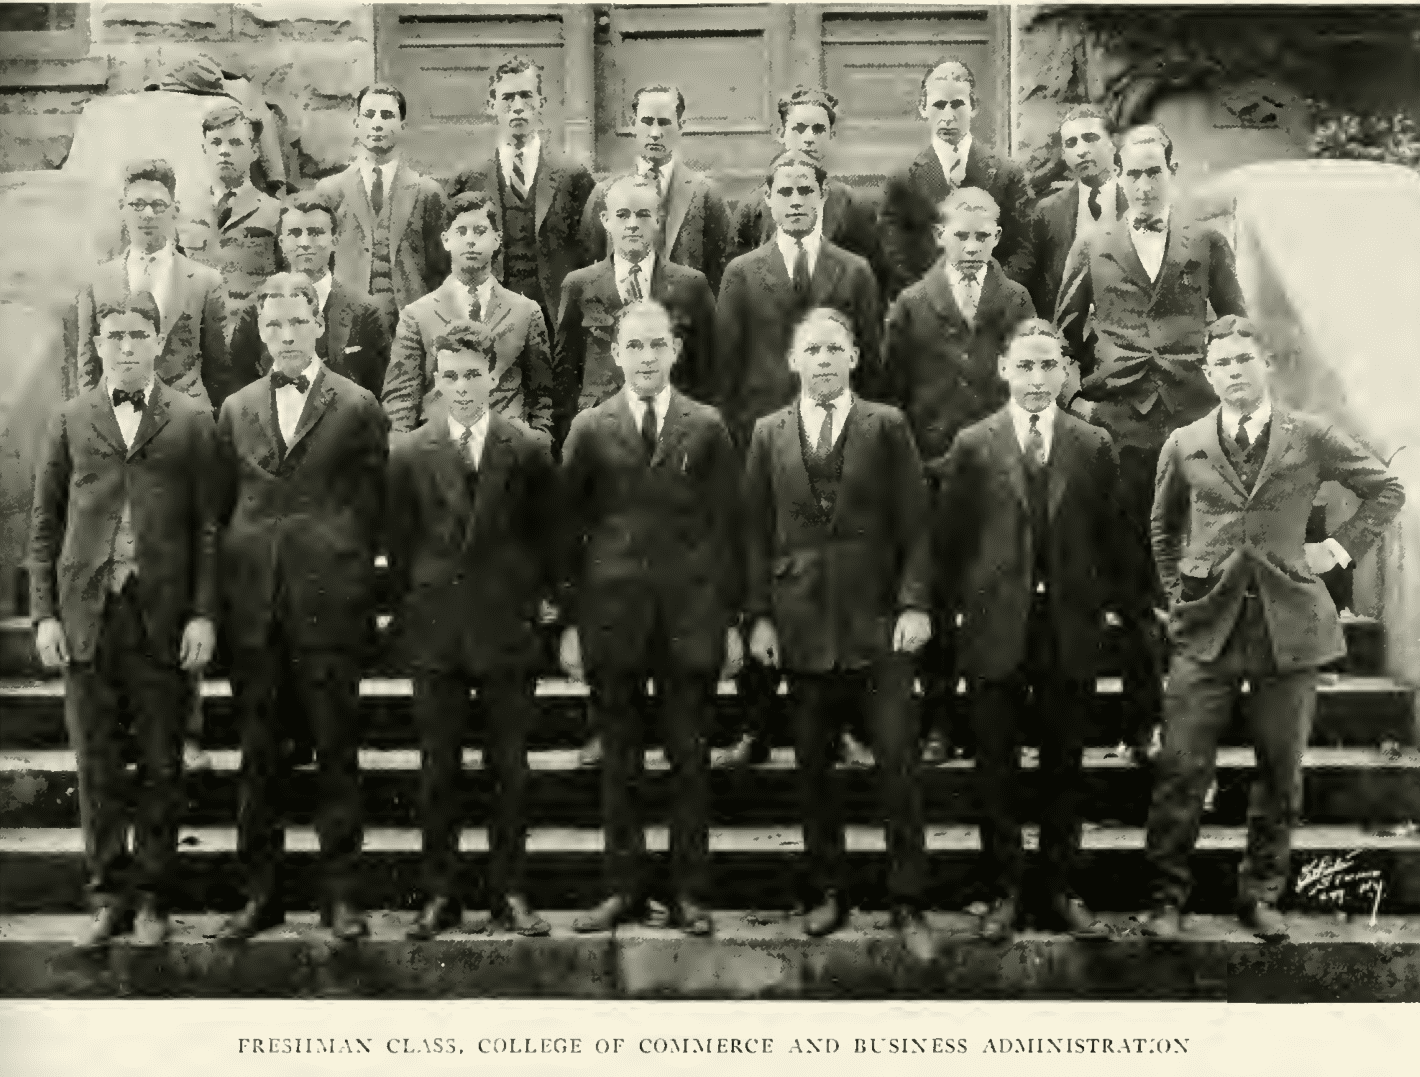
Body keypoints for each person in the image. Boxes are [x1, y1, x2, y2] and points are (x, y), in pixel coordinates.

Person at [1140, 316, 1405, 943]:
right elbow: (1162, 528)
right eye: (1222, 363)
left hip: (1291, 623)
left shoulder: (1308, 435)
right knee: (1181, 766)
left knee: (1280, 771)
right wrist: (1181, 594)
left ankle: (1260, 894)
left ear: (1267, 365)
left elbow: (1386, 489)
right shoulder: (1185, 442)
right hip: (1207, 626)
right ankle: (1165, 899)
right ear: (1208, 374)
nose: (1235, 371)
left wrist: (1337, 551)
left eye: (1244, 359)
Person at [28, 291, 219, 950]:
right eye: (115, 335)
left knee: (163, 762)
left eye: (140, 334)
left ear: (158, 341)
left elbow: (209, 529)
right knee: (98, 765)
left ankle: (156, 898)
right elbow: (46, 523)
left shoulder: (193, 420)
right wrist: (44, 614)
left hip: (162, 613)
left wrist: (202, 613)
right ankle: (108, 894)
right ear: (98, 344)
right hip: (88, 614)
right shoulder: (71, 417)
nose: (128, 346)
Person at [742, 307, 933, 958]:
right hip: (799, 627)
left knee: (898, 766)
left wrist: (914, 604)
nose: (823, 360)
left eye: (835, 349)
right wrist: (759, 616)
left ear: (854, 357)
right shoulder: (768, 433)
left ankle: (908, 899)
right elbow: (753, 534)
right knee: (815, 771)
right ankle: (828, 890)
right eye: (811, 350)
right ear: (793, 360)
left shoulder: (886, 426)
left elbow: (917, 525)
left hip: (879, 626)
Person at [1055, 123, 1248, 756]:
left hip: (1196, 429)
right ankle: (1141, 726)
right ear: (1118, 177)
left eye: (1152, 173)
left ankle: (1202, 727)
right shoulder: (1094, 244)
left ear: (1172, 172)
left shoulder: (1207, 242)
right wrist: (1079, 400)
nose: (1141, 185)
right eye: (1131, 174)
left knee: (1203, 577)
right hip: (1124, 434)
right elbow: (1062, 338)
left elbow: (1237, 326)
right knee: (1136, 585)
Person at [214, 273, 390, 943]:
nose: (286, 335)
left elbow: (374, 511)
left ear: (318, 324)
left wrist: (344, 576)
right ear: (261, 332)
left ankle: (342, 897)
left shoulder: (357, 404)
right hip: (255, 609)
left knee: (337, 752)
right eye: (274, 325)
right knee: (259, 757)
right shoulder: (235, 409)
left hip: (330, 607)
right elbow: (225, 506)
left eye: (297, 323)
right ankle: (261, 897)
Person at [933, 319, 1123, 942]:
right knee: (996, 766)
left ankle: (1061, 889)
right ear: (1004, 370)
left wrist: (1107, 605)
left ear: (1065, 371)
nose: (1038, 379)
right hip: (996, 627)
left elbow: (1108, 537)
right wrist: (966, 608)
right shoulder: (973, 444)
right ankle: (1006, 890)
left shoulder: (1093, 445)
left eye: (1049, 366)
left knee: (1065, 765)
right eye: (1026, 366)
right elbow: (952, 542)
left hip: (1068, 626)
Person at [559, 300, 742, 937]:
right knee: (620, 762)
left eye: (656, 345)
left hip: (689, 618)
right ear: (616, 353)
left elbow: (728, 528)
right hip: (613, 619)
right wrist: (574, 623)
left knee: (690, 762)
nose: (645, 357)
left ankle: (688, 893)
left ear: (675, 351)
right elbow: (568, 533)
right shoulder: (589, 426)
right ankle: (623, 890)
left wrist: (731, 620)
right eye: (633, 346)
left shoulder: (708, 426)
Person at [386, 322, 559, 940]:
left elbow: (546, 537)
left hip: (506, 628)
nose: (462, 387)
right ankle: (440, 894)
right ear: (436, 378)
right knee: (438, 771)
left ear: (494, 376)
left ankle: (509, 890)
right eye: (450, 375)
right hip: (436, 631)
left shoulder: (528, 448)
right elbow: (401, 547)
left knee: (510, 767)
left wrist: (531, 603)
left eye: (473, 374)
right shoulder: (409, 453)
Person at [714, 149, 881, 767]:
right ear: (767, 198)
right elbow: (726, 372)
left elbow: (875, 364)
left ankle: (842, 725)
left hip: (837, 441)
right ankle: (755, 725)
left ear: (822, 196)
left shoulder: (854, 272)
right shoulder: (741, 273)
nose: (794, 200)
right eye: (783, 190)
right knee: (762, 580)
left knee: (835, 584)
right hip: (766, 449)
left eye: (805, 190)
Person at [883, 186, 1036, 765]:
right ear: (939, 236)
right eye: (961, 235)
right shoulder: (911, 304)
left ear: (998, 237)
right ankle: (941, 717)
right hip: (934, 470)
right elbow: (894, 391)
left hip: (1003, 470)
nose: (972, 247)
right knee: (939, 596)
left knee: (1000, 591)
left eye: (984, 236)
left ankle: (997, 719)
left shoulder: (1015, 298)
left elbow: (1029, 382)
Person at [555, 173, 717, 445]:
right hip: (601, 429)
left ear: (658, 219)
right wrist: (566, 439)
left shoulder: (691, 286)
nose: (632, 224)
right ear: (606, 220)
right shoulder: (579, 286)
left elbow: (709, 371)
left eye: (643, 214)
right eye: (622, 215)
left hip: (673, 429)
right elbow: (564, 374)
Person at [379, 192, 555, 439]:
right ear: (446, 239)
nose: (470, 240)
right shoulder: (417, 316)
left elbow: (542, 396)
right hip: (440, 450)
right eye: (461, 232)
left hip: (508, 449)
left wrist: (538, 445)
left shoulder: (526, 312)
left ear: (496, 239)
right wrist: (406, 456)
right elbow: (400, 399)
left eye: (480, 231)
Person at [447, 55, 595, 336]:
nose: (517, 107)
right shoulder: (469, 179)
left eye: (526, 96)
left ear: (541, 102)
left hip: (556, 319)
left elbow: (592, 254)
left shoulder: (572, 176)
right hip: (489, 320)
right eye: (507, 98)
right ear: (492, 105)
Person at [74, 159, 227, 412]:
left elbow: (219, 368)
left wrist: (203, 424)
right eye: (137, 205)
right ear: (123, 208)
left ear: (174, 210)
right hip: (116, 417)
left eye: (158, 205)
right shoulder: (96, 282)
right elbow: (86, 366)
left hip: (185, 419)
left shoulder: (205, 282)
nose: (147, 214)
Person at [879, 59, 1034, 301]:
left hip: (992, 309)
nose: (948, 116)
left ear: (973, 106)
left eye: (957, 105)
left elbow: (1023, 247)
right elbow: (895, 253)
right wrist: (930, 299)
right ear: (923, 108)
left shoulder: (1006, 174)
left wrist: (993, 295)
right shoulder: (904, 180)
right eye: (939, 105)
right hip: (929, 309)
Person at [224, 196, 392, 403]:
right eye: (295, 233)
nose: (305, 243)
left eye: (315, 233)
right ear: (282, 242)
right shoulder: (255, 309)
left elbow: (379, 388)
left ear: (335, 239)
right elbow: (238, 384)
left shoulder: (365, 311)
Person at [314, 83, 449, 332]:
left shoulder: (427, 193)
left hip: (410, 322)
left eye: (387, 116)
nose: (377, 123)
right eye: (369, 115)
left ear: (402, 126)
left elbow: (440, 270)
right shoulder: (330, 191)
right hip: (347, 323)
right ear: (357, 123)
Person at [580, 84, 732, 295]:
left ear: (681, 125)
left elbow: (721, 274)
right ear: (633, 124)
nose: (655, 133)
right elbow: (587, 267)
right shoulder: (604, 193)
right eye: (647, 122)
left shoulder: (704, 195)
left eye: (664, 123)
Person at [729, 87, 887, 290]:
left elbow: (873, 280)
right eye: (799, 128)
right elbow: (735, 280)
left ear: (832, 135)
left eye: (819, 129)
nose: (809, 138)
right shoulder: (752, 208)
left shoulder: (854, 207)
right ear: (781, 133)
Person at [1021, 105, 1128, 320]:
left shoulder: (1138, 204)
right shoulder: (1046, 212)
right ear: (1063, 153)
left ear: (1114, 142)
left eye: (1090, 138)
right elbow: (1029, 287)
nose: (1081, 150)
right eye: (1071, 143)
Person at [186, 102, 283, 334]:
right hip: (194, 337)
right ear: (204, 148)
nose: (224, 151)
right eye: (216, 143)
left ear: (254, 151)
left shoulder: (275, 213)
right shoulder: (186, 213)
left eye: (235, 143)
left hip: (249, 337)